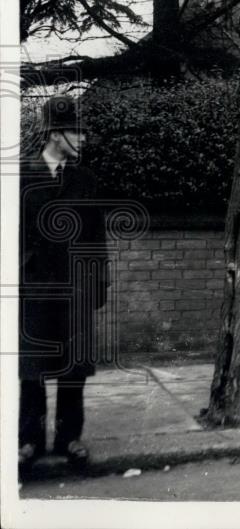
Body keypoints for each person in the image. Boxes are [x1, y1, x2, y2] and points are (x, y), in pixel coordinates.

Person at [19, 96, 110, 471]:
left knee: (73, 369)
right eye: (77, 131)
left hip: (76, 288)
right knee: (33, 369)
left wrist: (98, 281)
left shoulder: (85, 180)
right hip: (35, 289)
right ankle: (29, 441)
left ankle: (70, 438)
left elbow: (96, 236)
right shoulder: (21, 177)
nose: (84, 139)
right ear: (56, 134)